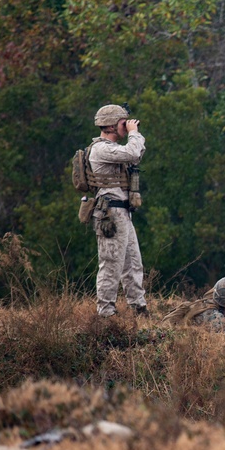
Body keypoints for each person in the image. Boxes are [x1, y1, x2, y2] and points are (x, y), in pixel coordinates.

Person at [89, 104, 147, 317]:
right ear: (113, 126)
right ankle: (106, 313)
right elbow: (133, 152)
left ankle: (138, 307)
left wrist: (133, 135)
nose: (127, 126)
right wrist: (134, 133)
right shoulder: (101, 148)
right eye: (123, 123)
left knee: (133, 262)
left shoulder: (113, 149)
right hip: (110, 214)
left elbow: (136, 154)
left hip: (123, 212)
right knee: (111, 263)